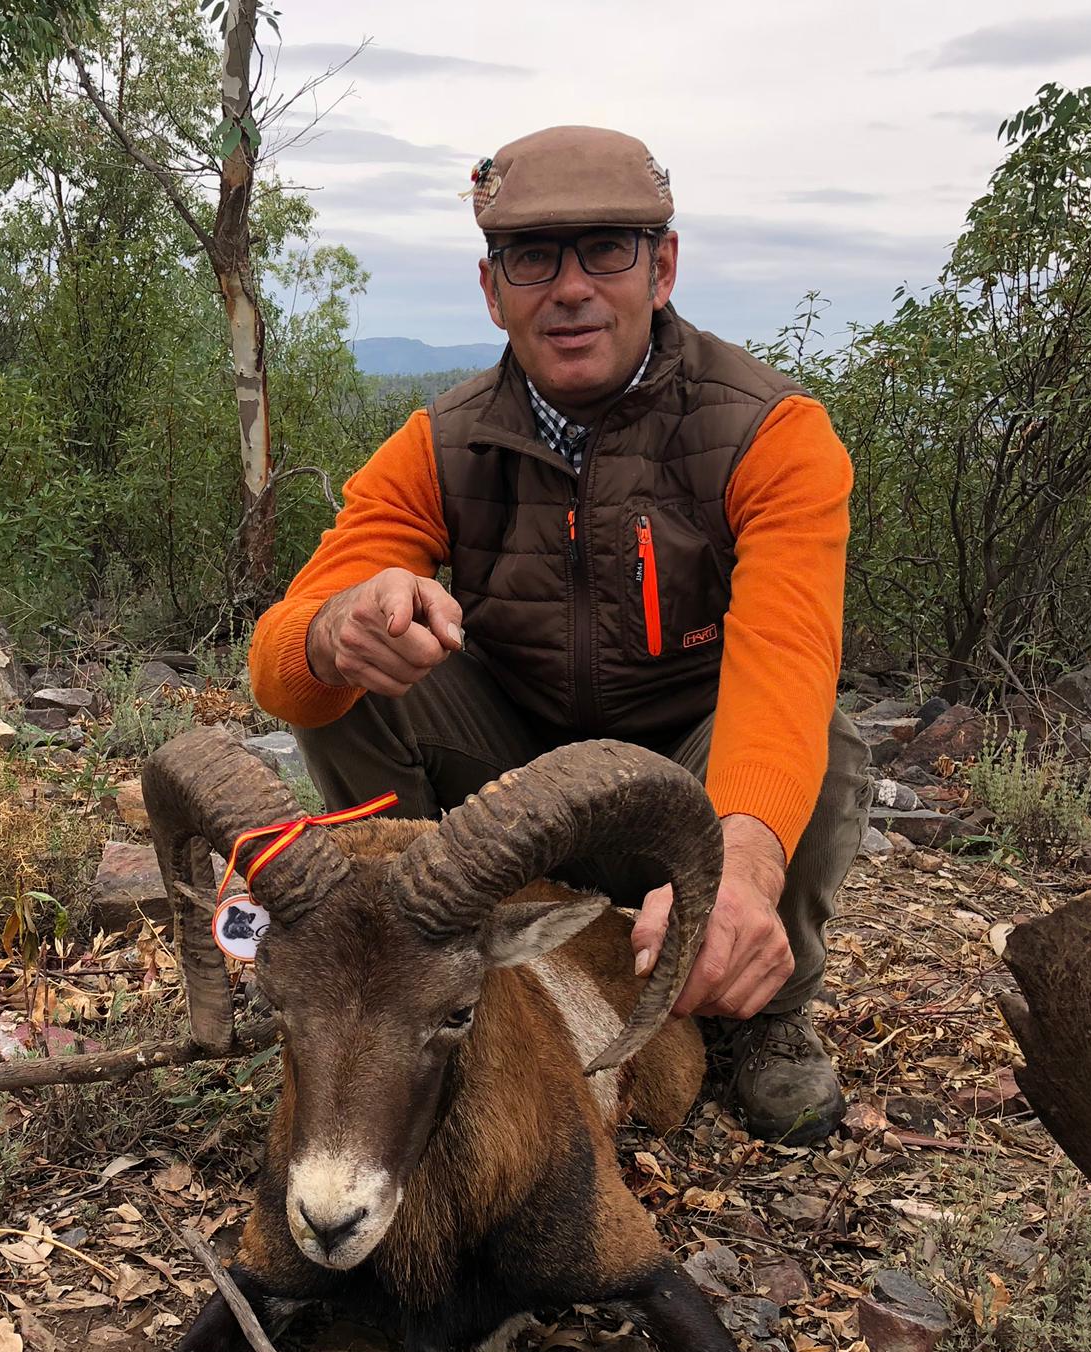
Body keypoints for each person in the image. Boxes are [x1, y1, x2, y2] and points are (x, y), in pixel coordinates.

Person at [247, 125, 869, 1145]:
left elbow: (785, 667)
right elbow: (279, 660)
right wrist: (330, 636)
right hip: (513, 797)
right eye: (532, 258)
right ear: (493, 292)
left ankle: (763, 999)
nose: (569, 287)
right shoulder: (440, 446)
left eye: (606, 251)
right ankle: (415, 961)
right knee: (361, 676)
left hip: (684, 784)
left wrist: (740, 872)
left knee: (825, 740)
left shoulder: (770, 434)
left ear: (662, 267)